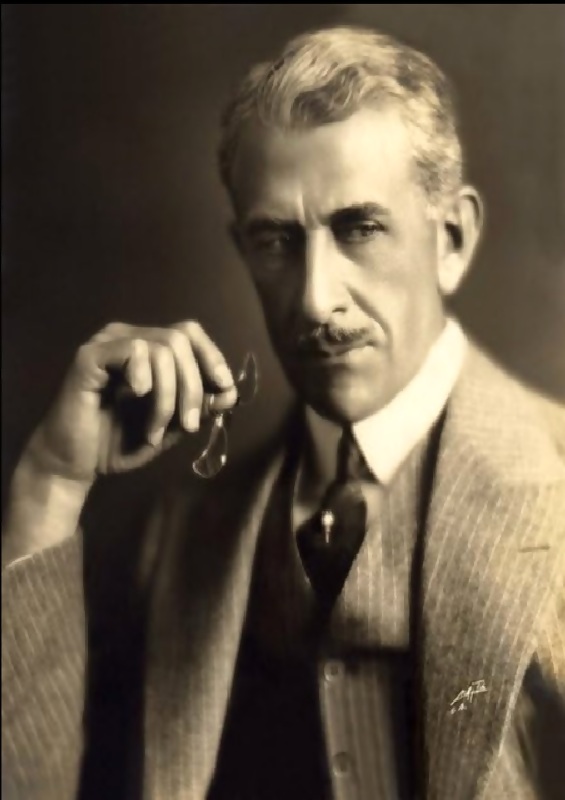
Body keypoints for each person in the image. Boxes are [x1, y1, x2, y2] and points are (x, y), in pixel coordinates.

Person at [2, 24, 564, 800]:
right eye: (275, 242)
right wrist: (50, 482)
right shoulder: (181, 534)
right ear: (241, 247)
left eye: (359, 229)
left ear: (452, 239)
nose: (314, 299)